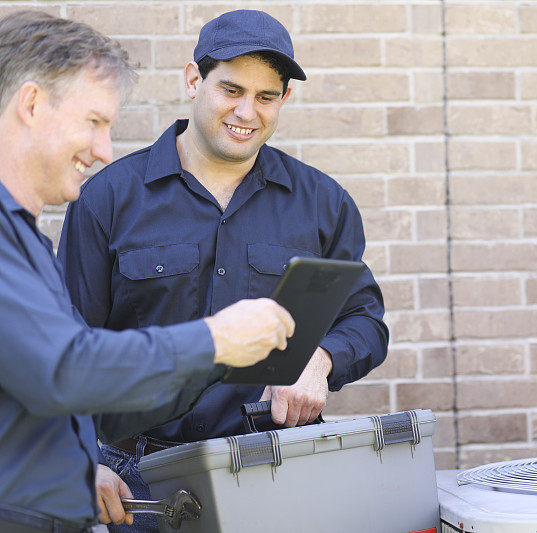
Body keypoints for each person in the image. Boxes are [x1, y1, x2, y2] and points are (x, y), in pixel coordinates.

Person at [58, 8, 389, 531]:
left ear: (285, 99)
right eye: (231, 89)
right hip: (141, 479)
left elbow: (366, 323)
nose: (247, 112)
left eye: (266, 96)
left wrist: (320, 360)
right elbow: (67, 349)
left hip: (277, 468)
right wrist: (81, 457)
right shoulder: (108, 200)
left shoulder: (323, 204)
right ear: (194, 80)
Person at [0, 10, 297, 533]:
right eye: (94, 122)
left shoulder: (23, 237)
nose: (103, 150)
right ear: (30, 104)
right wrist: (213, 340)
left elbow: (65, 388)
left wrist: (77, 460)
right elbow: (68, 369)